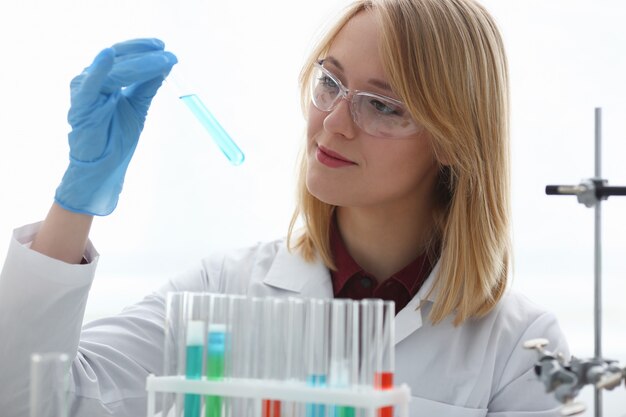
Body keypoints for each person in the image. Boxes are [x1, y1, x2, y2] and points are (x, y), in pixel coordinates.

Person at [0, 0, 570, 416]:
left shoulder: (517, 348)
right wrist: (76, 200)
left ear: (451, 141)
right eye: (331, 82)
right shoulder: (221, 291)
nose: (335, 122)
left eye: (382, 106)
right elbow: (30, 398)